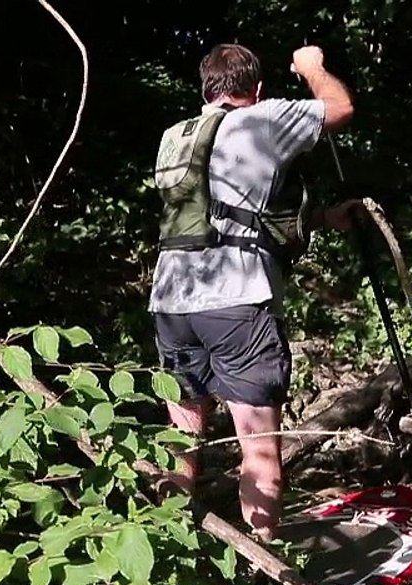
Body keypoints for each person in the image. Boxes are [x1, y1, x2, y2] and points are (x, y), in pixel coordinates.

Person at [147, 43, 359, 542]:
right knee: (259, 447)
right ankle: (262, 578)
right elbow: (340, 107)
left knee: (180, 440)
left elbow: (229, 209)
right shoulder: (261, 120)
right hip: (236, 304)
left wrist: (323, 219)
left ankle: (169, 559)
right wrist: (312, 68)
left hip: (172, 303)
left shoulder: (174, 137)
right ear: (256, 90)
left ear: (207, 89)